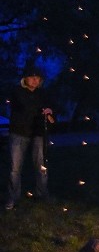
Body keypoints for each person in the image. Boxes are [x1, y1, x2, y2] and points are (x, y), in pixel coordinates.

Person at [5, 66, 54, 210]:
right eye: (32, 77)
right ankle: (13, 197)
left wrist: (50, 113)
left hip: (38, 134)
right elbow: (24, 107)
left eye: (38, 78)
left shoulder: (43, 94)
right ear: (25, 79)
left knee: (41, 166)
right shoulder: (17, 92)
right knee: (15, 168)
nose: (35, 80)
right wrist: (41, 110)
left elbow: (50, 113)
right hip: (19, 133)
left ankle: (42, 194)